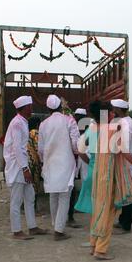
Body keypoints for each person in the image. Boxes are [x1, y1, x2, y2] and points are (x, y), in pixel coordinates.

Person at [89, 101, 132, 260]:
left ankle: (94, 244)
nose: (113, 114)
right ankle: (100, 249)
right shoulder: (113, 129)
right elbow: (123, 151)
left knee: (99, 208)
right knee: (108, 211)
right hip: (109, 175)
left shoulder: (94, 128)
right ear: (106, 114)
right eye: (111, 112)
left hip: (99, 174)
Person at [3, 95, 48, 240]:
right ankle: (16, 231)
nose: (31, 109)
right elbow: (17, 148)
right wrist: (25, 169)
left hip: (22, 165)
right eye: (30, 107)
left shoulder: (22, 122)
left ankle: (32, 227)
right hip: (18, 167)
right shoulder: (17, 124)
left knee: (30, 197)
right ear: (25, 108)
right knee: (16, 200)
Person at [38, 95, 80, 241]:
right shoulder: (69, 120)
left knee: (53, 194)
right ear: (60, 106)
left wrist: (44, 161)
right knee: (64, 196)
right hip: (65, 162)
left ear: (48, 108)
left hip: (50, 163)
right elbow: (76, 143)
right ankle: (59, 231)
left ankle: (56, 225)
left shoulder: (43, 124)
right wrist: (76, 154)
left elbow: (41, 149)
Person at [111, 99, 132, 234]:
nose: (112, 110)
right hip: (128, 161)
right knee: (125, 191)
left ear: (118, 109)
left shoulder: (126, 124)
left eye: (113, 108)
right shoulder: (125, 122)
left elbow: (123, 148)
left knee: (129, 193)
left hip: (129, 161)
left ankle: (126, 225)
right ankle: (123, 219)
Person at [67, 108, 89, 229]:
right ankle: (71, 214)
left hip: (84, 158)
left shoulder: (88, 129)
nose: (78, 118)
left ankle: (82, 206)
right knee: (72, 186)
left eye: (81, 116)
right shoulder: (72, 128)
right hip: (74, 159)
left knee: (86, 181)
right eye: (77, 116)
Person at [27, 116, 43, 213]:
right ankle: (33, 209)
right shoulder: (35, 132)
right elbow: (38, 148)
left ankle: (24, 207)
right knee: (35, 185)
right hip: (33, 162)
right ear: (37, 124)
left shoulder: (27, 132)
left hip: (27, 161)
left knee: (28, 186)